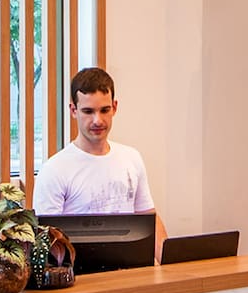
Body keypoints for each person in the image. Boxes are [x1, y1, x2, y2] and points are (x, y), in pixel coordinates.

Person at [35, 68, 163, 243]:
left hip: (131, 267)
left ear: (114, 108)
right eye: (88, 111)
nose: (97, 120)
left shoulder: (132, 158)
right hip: (79, 270)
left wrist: (167, 265)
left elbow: (149, 221)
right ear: (73, 110)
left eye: (104, 110)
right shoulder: (54, 170)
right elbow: (45, 241)